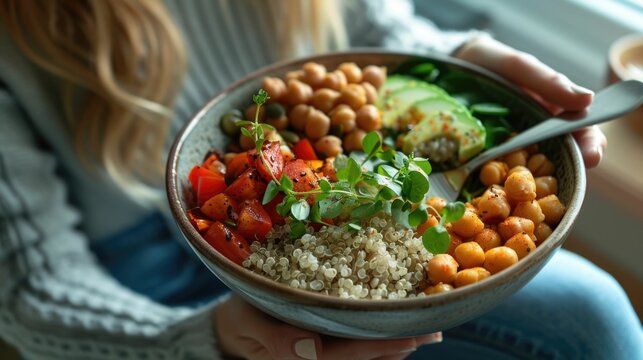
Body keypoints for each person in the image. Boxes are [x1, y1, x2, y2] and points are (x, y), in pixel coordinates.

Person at [0, 0, 640, 359]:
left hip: (312, 199)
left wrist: (454, 62)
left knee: (595, 317)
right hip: (138, 282)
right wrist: (193, 344)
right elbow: (32, 292)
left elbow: (368, 41)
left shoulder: (465, 220)